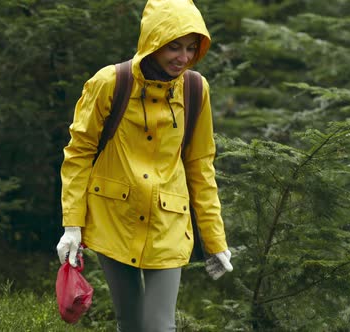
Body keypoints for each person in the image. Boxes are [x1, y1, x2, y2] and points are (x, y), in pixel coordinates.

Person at [56, 0, 233, 330]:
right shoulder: (110, 82)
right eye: (174, 47)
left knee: (158, 325)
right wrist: (72, 226)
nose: (183, 58)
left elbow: (200, 165)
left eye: (191, 48)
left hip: (168, 222)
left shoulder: (196, 89)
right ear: (153, 42)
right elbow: (79, 153)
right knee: (131, 321)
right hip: (113, 218)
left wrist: (214, 240)